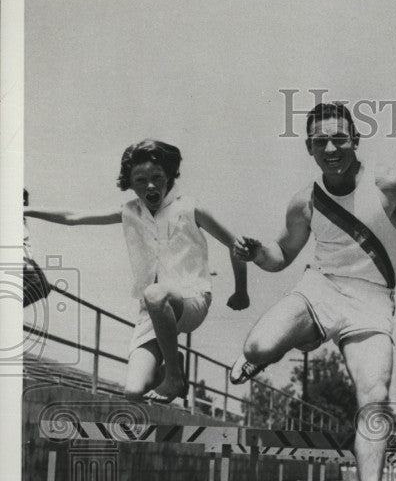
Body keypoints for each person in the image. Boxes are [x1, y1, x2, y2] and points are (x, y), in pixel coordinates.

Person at [230, 102, 396, 481]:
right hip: (320, 287)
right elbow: (282, 256)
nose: (331, 148)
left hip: (371, 302)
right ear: (309, 147)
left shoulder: (391, 183)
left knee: (375, 397)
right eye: (320, 141)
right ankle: (288, 342)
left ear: (355, 139)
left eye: (339, 138)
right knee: (256, 348)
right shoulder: (305, 200)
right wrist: (257, 254)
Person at [25, 140, 249, 402]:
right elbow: (73, 216)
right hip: (152, 311)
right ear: (129, 184)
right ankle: (171, 361)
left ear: (169, 175)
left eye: (157, 178)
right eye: (141, 180)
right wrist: (24, 209)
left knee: (155, 293)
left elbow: (237, 245)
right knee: (133, 392)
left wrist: (241, 291)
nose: (150, 186)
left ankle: (174, 377)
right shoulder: (129, 211)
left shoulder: (190, 207)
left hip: (191, 300)